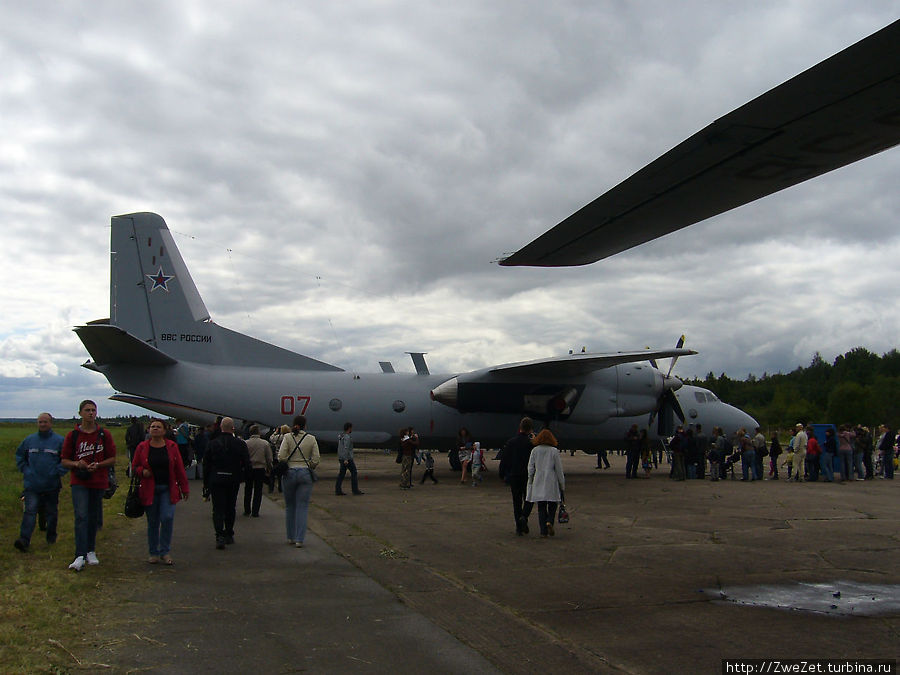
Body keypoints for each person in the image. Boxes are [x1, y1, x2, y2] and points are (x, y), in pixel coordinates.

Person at [60, 400, 117, 571]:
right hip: (79, 481)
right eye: (87, 410)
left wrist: (98, 465)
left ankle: (90, 550)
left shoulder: (104, 434)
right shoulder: (73, 435)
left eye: (93, 410)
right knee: (81, 516)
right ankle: (79, 554)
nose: (91, 413)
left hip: (98, 480)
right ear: (80, 413)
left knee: (93, 516)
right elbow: (64, 460)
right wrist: (77, 464)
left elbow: (112, 458)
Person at [132, 418, 190, 564]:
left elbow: (179, 468)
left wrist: (184, 488)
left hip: (167, 489)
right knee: (153, 522)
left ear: (164, 431)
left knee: (167, 517)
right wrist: (142, 471)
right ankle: (153, 552)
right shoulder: (142, 447)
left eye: (158, 427)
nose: (155, 429)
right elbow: (134, 466)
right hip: (149, 489)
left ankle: (165, 551)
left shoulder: (172, 446)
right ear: (148, 430)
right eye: (153, 426)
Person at [14, 413, 67, 552]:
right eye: (40, 422)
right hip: (32, 485)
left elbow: (66, 459)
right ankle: (24, 540)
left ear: (51, 423)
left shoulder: (59, 441)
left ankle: (51, 537)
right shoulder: (29, 440)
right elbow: (19, 455)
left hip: (51, 485)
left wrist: (57, 472)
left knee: (51, 512)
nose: (42, 424)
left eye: (45, 422)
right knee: (30, 511)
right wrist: (25, 470)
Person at [203, 417, 251, 549]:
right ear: (233, 428)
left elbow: (206, 464)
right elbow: (247, 463)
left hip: (216, 479)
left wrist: (206, 482)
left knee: (218, 509)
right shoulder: (240, 444)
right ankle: (229, 533)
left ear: (221, 427)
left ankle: (219, 535)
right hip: (233, 479)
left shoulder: (212, 443)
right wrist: (244, 477)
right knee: (230, 507)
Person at [278, 415, 320, 547]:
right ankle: (299, 539)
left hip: (290, 472)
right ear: (305, 425)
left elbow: (281, 456)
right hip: (305, 473)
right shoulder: (311, 438)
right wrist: (309, 465)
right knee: (302, 506)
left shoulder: (287, 437)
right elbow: (316, 459)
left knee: (290, 506)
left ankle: (290, 537)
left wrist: (288, 462)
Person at [526, 429, 565, 538]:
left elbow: (530, 467)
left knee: (541, 507)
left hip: (538, 479)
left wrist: (530, 480)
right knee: (552, 504)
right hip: (551, 480)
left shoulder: (535, 450)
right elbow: (559, 469)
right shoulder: (554, 451)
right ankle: (550, 521)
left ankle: (543, 531)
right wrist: (562, 484)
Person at [499, 417, 535, 536]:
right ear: (530, 429)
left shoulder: (511, 442)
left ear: (520, 428)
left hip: (514, 475)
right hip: (528, 476)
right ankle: (524, 517)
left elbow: (504, 459)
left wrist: (502, 473)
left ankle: (519, 528)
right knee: (529, 499)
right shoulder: (531, 444)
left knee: (517, 502)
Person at [244, 424, 273, 515]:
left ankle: (247, 510)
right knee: (258, 490)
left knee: (248, 489)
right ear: (258, 432)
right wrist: (269, 467)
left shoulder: (246, 443)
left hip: (249, 468)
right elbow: (269, 458)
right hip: (260, 468)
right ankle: (255, 511)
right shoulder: (265, 443)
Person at [335, 422, 364, 496]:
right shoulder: (347, 437)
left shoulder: (341, 436)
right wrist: (346, 459)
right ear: (349, 428)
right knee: (354, 472)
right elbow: (346, 448)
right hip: (347, 458)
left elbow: (340, 448)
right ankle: (355, 490)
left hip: (341, 457)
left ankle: (338, 489)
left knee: (341, 474)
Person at [268, 425, 289, 493]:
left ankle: (271, 488)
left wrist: (276, 432)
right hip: (285, 458)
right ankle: (281, 488)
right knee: (281, 474)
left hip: (277, 457)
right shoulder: (289, 437)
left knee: (273, 473)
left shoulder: (278, 437)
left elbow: (271, 438)